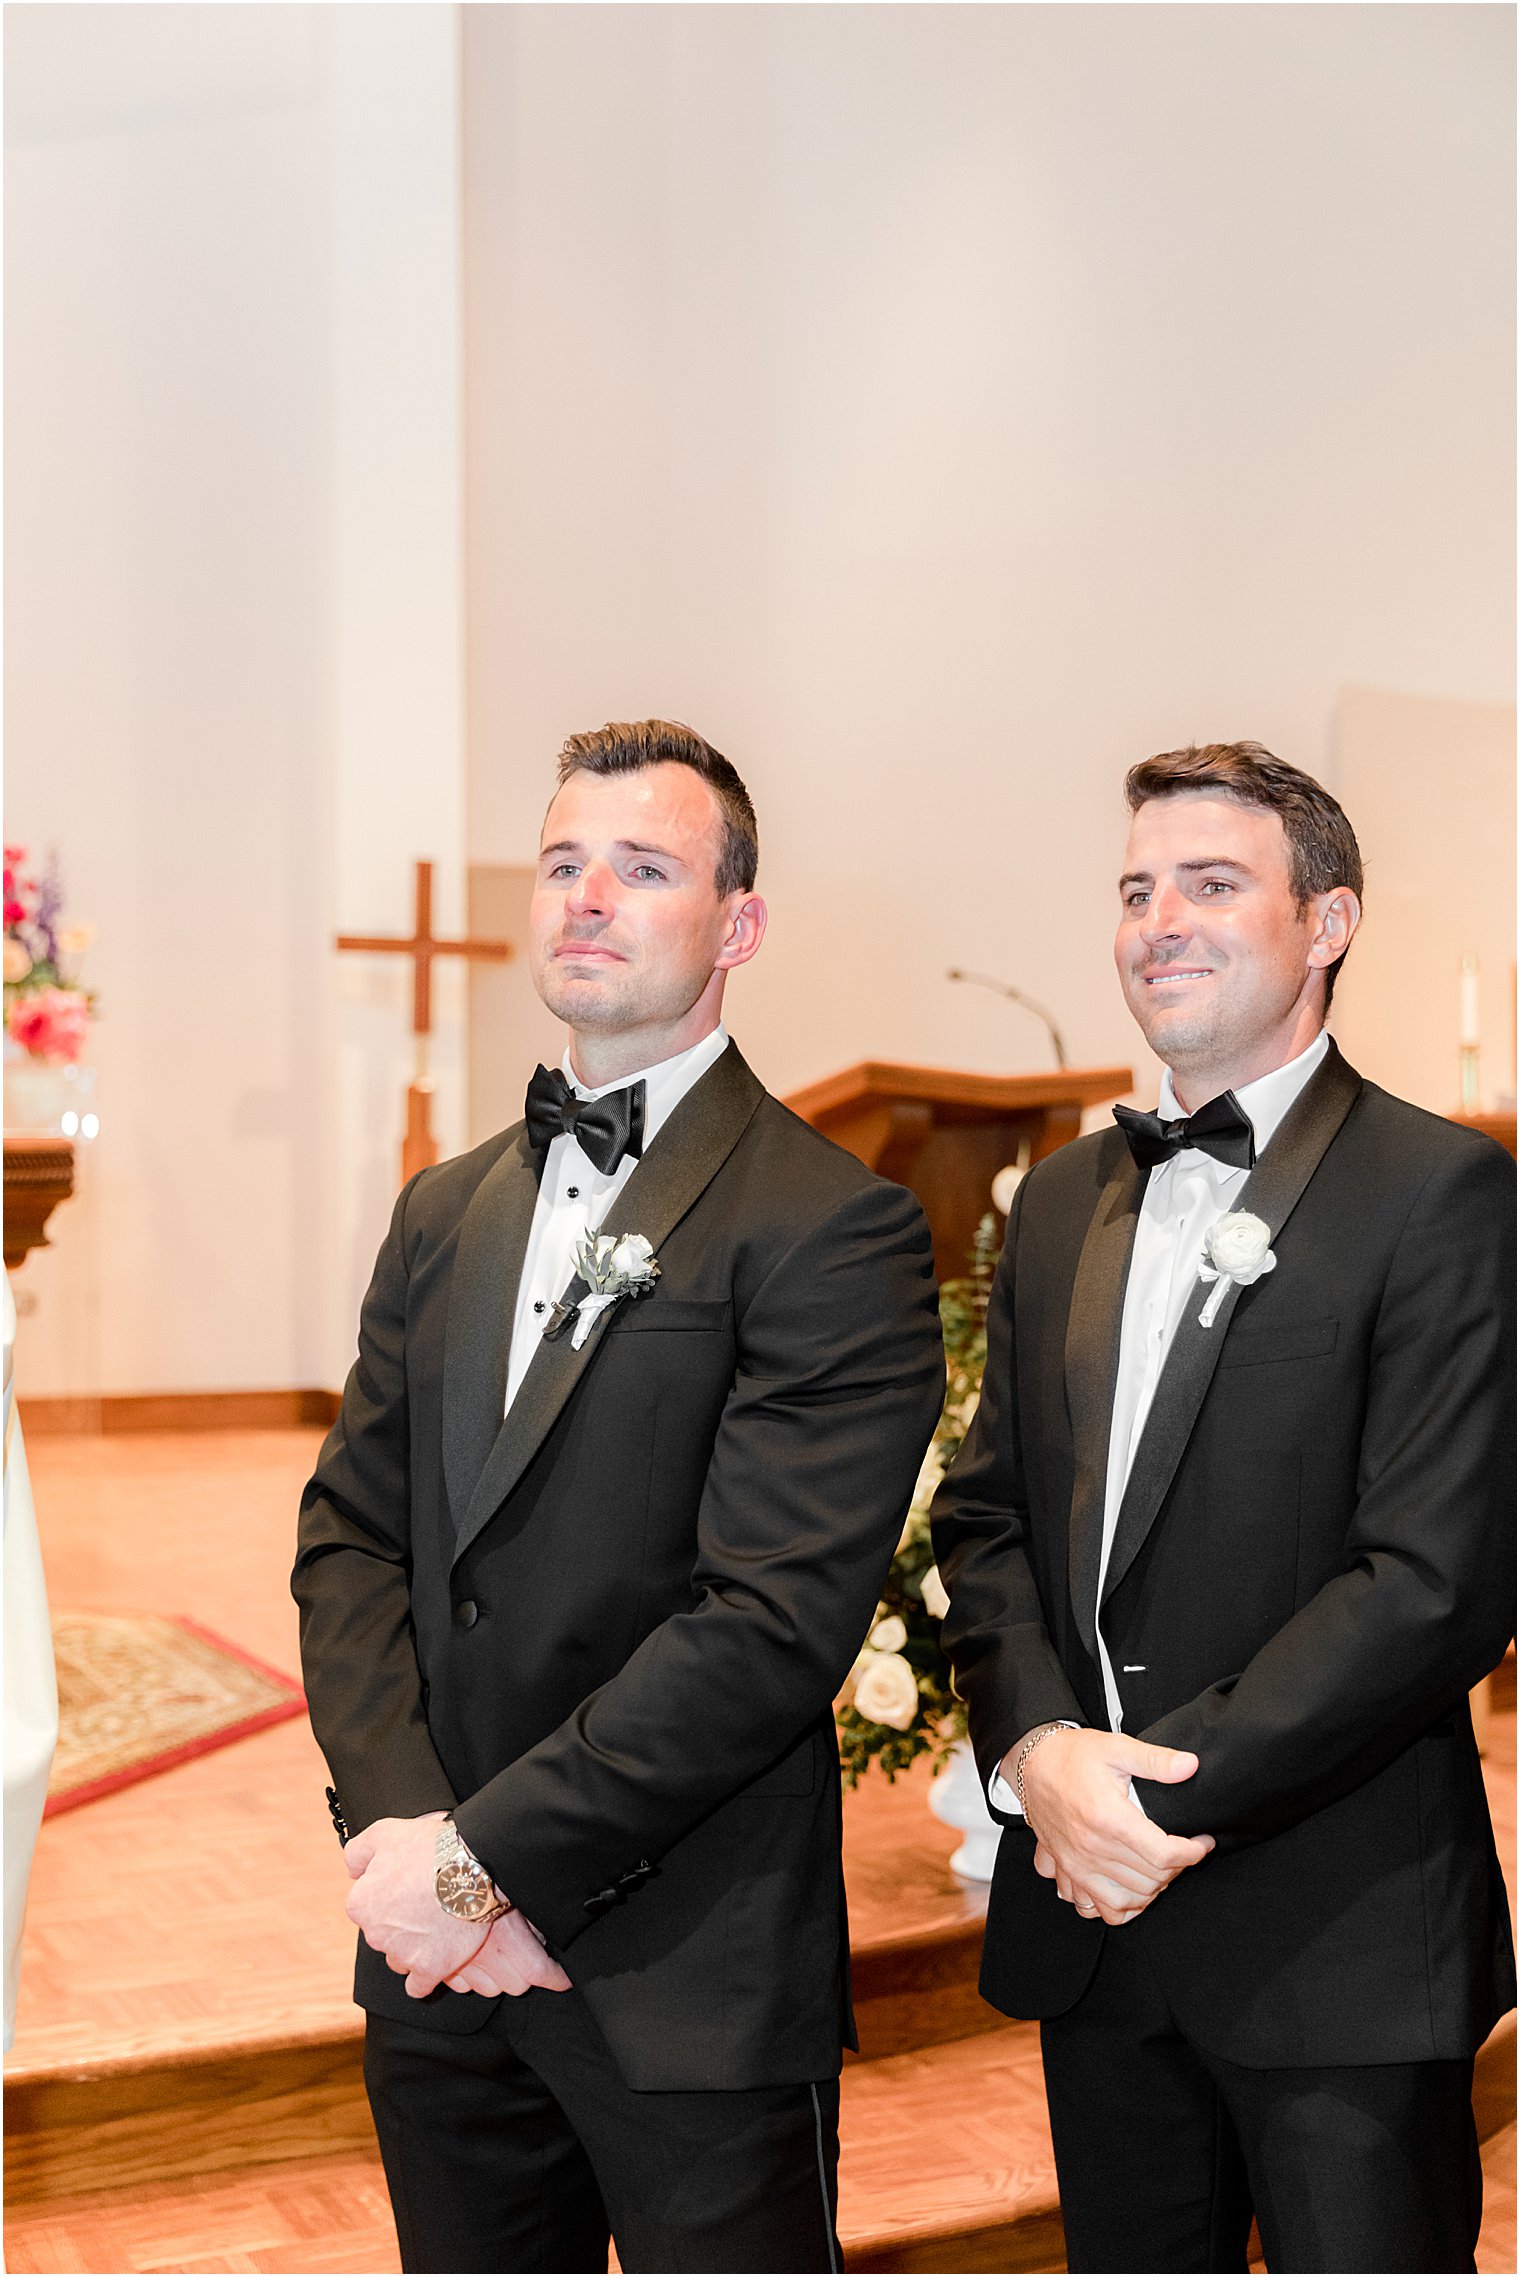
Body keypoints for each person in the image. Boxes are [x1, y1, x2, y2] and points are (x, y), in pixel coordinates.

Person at [293, 719, 944, 2275]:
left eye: (644, 867)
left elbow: (767, 1624)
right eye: (566, 863)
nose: (588, 896)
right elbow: (353, 1537)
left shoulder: (832, 1226)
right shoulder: (447, 1208)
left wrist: (484, 1862)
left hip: (681, 1972)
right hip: (437, 1976)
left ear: (739, 925)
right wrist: (408, 1844)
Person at [932, 741, 1515, 2275]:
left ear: (1327, 921)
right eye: (1135, 889)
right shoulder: (1060, 1199)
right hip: (1095, 1938)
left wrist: (1142, 1806)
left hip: (1339, 1937)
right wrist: (1043, 1757)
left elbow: (1436, 1578)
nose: (1157, 920)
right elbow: (986, 1517)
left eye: (1209, 883)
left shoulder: (1441, 1191)